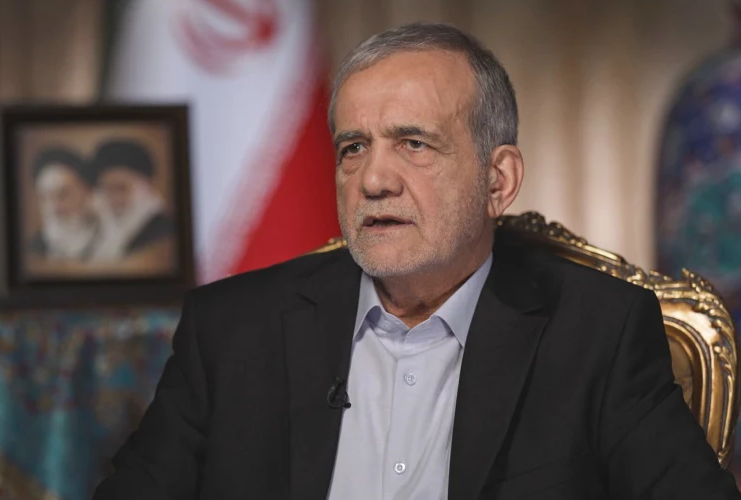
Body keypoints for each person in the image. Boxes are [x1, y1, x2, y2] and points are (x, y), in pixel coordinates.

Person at [93, 23, 741, 499]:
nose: (373, 180)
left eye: (413, 144)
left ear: (498, 180)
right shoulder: (232, 330)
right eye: (353, 148)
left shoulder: (597, 332)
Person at [89, 139, 173, 261]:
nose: (114, 199)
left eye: (122, 188)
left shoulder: (164, 233)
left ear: (147, 186)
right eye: (107, 189)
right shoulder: (98, 227)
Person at [30, 147, 100, 260]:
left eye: (62, 195)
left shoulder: (109, 241)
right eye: (45, 198)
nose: (54, 208)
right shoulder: (34, 251)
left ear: (87, 193)